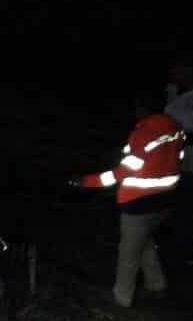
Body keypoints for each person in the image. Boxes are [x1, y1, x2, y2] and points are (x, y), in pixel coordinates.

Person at [71, 106, 184, 307]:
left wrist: (85, 181)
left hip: (139, 203)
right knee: (144, 241)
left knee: (128, 253)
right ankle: (157, 286)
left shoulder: (144, 133)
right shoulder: (175, 128)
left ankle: (121, 299)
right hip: (166, 199)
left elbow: (121, 173)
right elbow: (177, 159)